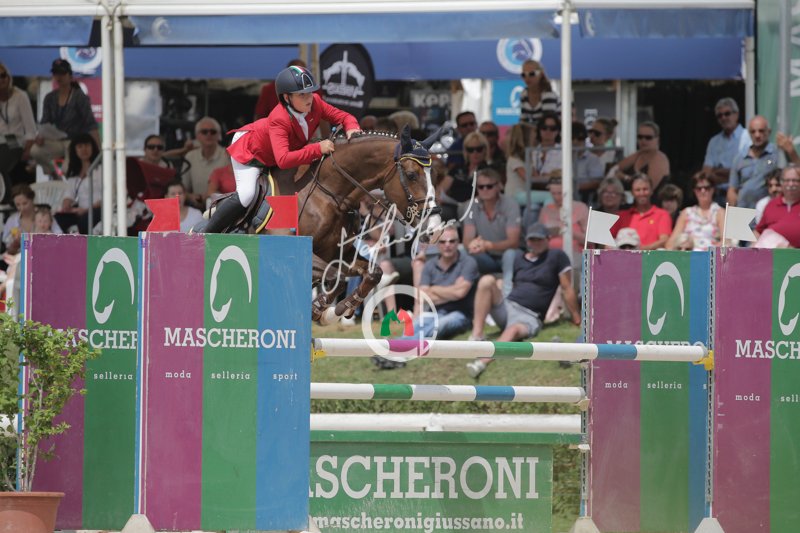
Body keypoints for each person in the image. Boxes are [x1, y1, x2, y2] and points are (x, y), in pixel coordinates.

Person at [198, 65, 360, 233]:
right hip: (251, 151)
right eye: (302, 94)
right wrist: (317, 149)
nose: (309, 98)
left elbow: (344, 117)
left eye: (310, 92)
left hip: (276, 151)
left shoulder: (316, 102)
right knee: (247, 194)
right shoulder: (279, 118)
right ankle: (207, 232)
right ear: (287, 97)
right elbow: (283, 160)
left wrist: (352, 128)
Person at [466, 223, 580, 378]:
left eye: (539, 239)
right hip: (508, 306)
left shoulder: (557, 256)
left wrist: (576, 318)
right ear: (527, 241)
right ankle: (476, 335)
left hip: (530, 316)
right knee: (486, 281)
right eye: (532, 239)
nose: (535, 243)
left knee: (513, 330)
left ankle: (482, 362)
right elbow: (512, 285)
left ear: (548, 239)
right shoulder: (519, 258)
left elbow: (566, 288)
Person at [403, 225, 479, 340]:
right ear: (437, 244)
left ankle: (401, 347)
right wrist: (453, 290)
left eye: (452, 241)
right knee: (413, 327)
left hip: (460, 314)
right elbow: (422, 297)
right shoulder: (430, 265)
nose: (447, 245)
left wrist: (432, 289)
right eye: (443, 242)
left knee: (438, 326)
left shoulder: (468, 262)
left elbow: (460, 293)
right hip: (433, 312)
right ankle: (396, 346)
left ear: (458, 243)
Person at [30, 59, 99, 177]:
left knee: (68, 169)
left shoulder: (79, 97)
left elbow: (91, 124)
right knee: (35, 150)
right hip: (56, 141)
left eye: (62, 73)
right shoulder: (50, 98)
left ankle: (63, 177)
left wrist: (98, 150)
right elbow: (44, 122)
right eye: (56, 73)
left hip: (75, 142)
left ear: (70, 76)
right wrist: (39, 136)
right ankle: (54, 174)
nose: (59, 77)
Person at [461, 168, 521, 296]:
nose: (485, 190)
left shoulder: (510, 204)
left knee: (510, 254)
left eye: (489, 186)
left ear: (499, 186)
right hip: (486, 256)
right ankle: (461, 291)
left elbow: (514, 242)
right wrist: (472, 245)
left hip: (508, 255)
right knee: (462, 250)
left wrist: (488, 245)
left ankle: (507, 294)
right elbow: (467, 239)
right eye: (481, 187)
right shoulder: (471, 205)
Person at [701, 98, 751, 199]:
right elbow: (706, 173)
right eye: (719, 116)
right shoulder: (714, 142)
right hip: (718, 196)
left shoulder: (748, 137)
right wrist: (733, 172)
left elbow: (747, 171)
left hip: (741, 195)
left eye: (727, 114)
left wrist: (717, 171)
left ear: (736, 114)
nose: (723, 118)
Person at [0, 62, 37, 192]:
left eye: (3, 75)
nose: (1, 79)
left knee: (2, 161)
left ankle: (5, 196)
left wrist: (28, 149)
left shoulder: (20, 95)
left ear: (9, 77)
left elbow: (31, 129)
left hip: (14, 140)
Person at [55, 133, 102, 234]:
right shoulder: (74, 173)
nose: (84, 149)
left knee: (85, 222)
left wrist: (86, 210)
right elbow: (69, 194)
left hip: (98, 210)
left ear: (93, 147)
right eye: (80, 146)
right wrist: (66, 204)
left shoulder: (101, 169)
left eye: (87, 145)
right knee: (58, 219)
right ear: (75, 150)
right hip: (80, 211)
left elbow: (108, 198)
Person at [727, 115, 778, 209]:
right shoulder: (740, 158)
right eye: (753, 131)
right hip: (743, 209)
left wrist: (790, 150)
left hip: (767, 209)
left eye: (761, 131)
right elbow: (732, 189)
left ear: (769, 131)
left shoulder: (777, 154)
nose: (757, 135)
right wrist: (733, 210)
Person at [439, 131, 490, 221]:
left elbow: (489, 194)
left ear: (485, 150)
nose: (475, 153)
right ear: (466, 151)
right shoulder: (457, 169)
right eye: (470, 149)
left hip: (477, 208)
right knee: (440, 213)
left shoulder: (489, 170)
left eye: (479, 149)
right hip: (453, 207)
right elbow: (441, 190)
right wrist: (439, 198)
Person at [666, 173, 724, 251]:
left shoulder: (720, 212)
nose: (703, 191)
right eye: (699, 188)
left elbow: (726, 242)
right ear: (694, 191)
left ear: (713, 189)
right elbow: (671, 242)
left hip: (709, 255)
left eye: (707, 188)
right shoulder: (686, 213)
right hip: (687, 254)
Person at [181, 116, 230, 207]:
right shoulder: (190, 156)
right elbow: (183, 188)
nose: (209, 134)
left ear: (218, 135)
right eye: (204, 132)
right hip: (195, 207)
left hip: (221, 207)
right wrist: (191, 197)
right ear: (197, 136)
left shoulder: (227, 155)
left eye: (213, 132)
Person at [614, 121, 670, 199]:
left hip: (653, 204)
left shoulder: (660, 159)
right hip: (636, 202)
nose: (643, 140)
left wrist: (624, 177)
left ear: (657, 139)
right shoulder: (639, 154)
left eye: (648, 137)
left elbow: (646, 188)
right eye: (640, 137)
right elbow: (614, 169)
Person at [617, 174, 672, 250]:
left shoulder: (662, 214)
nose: (642, 193)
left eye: (645, 189)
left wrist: (641, 251)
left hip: (651, 256)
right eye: (637, 190)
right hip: (624, 256)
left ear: (652, 191)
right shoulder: (622, 215)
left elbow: (664, 240)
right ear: (632, 192)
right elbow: (608, 241)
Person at [3, 184, 62, 253]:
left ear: (32, 200)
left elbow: (61, 238)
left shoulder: (45, 216)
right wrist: (15, 244)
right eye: (18, 205)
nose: (22, 208)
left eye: (25, 203)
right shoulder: (12, 221)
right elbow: (7, 249)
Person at [538, 174, 589, 255]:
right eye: (553, 193)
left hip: (575, 254)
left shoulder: (581, 208)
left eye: (560, 193)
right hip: (550, 254)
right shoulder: (545, 210)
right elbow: (538, 237)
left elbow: (589, 241)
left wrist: (568, 231)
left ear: (569, 191)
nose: (556, 197)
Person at [754, 164, 800, 248]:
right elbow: (758, 231)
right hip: (773, 254)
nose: (790, 184)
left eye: (795, 180)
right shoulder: (771, 205)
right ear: (782, 182)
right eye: (787, 180)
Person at [519, 59, 561, 126]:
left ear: (541, 74)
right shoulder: (524, 94)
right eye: (524, 75)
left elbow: (547, 124)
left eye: (532, 74)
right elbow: (523, 121)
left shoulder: (548, 94)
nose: (527, 78)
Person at [504, 122, 536, 205]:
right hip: (515, 195)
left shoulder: (528, 158)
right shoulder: (514, 159)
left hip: (523, 194)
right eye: (533, 137)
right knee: (549, 196)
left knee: (535, 206)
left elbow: (535, 176)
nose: (535, 140)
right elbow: (527, 177)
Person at [572, 122, 605, 202]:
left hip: (584, 197)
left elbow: (596, 182)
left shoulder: (593, 159)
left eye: (580, 138)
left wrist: (574, 187)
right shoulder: (559, 157)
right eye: (572, 138)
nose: (575, 142)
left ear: (585, 139)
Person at [531, 112, 562, 183]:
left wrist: (542, 177)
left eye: (552, 128)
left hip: (556, 188)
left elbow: (562, 175)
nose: (548, 131)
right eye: (544, 128)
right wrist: (549, 175)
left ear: (558, 131)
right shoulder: (532, 152)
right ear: (539, 130)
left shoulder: (563, 152)